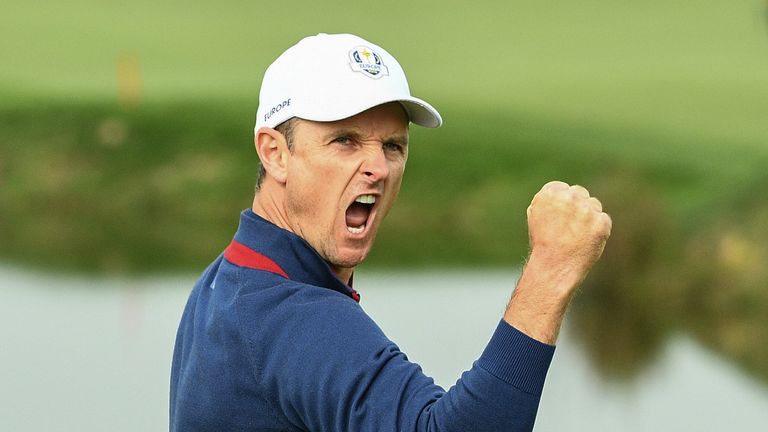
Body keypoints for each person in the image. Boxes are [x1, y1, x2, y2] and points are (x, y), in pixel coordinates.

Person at [170, 33, 611, 431]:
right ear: (276, 153)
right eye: (345, 140)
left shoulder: (225, 280)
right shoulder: (294, 317)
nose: (378, 168)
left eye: (393, 146)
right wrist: (550, 269)